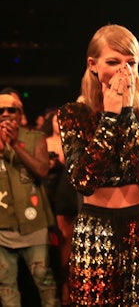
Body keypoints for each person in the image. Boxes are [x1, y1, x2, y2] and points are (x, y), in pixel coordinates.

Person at [57, 24, 139, 306]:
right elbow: (83, 181)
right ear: (93, 65)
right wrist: (109, 118)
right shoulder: (74, 114)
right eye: (113, 62)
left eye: (131, 63)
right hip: (94, 229)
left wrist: (127, 113)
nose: (124, 71)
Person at [0, 94, 60, 306]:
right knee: (6, 287)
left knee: (45, 282)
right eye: (1, 111)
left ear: (20, 114)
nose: (5, 114)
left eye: (11, 110)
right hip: (1, 226)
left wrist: (15, 144)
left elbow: (42, 170)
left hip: (33, 224)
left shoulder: (34, 138)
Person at [42, 109, 80, 306]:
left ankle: (70, 286)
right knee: (60, 241)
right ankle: (62, 286)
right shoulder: (44, 140)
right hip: (50, 194)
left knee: (71, 241)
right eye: (57, 120)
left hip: (70, 192)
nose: (60, 123)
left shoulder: (73, 141)